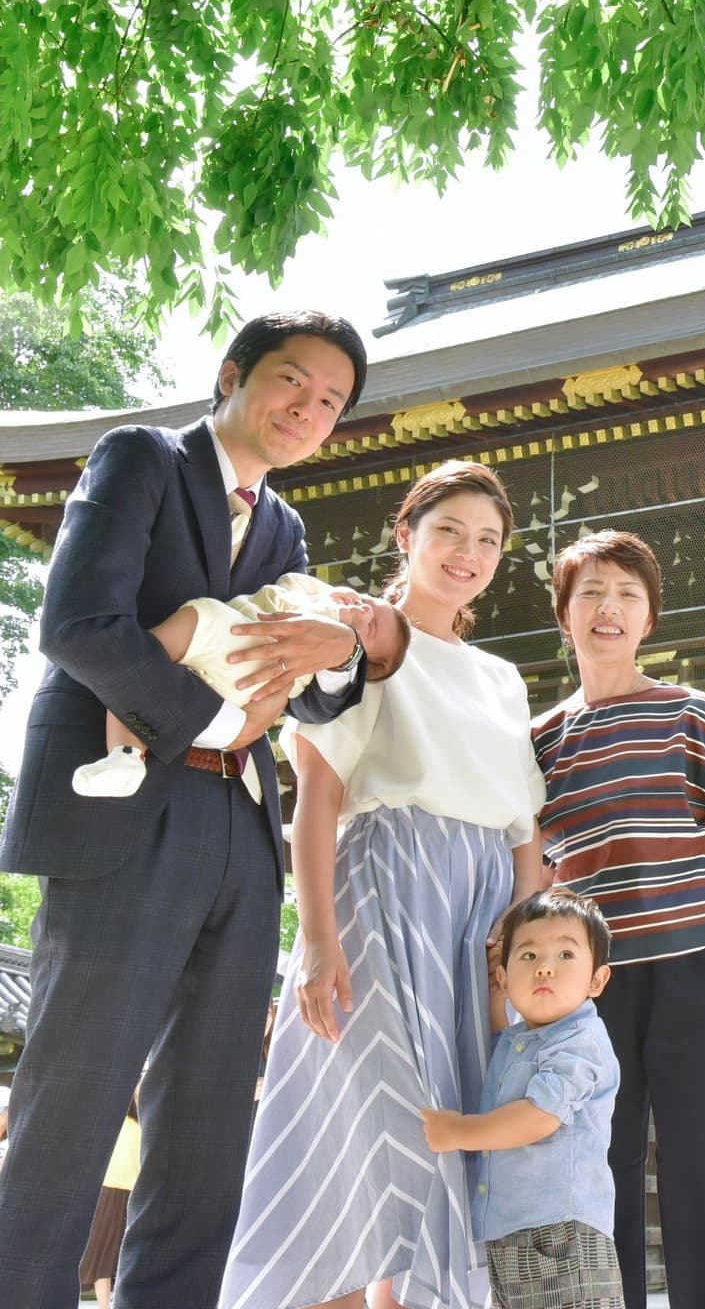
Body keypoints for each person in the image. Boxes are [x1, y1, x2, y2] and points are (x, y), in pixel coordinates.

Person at [0, 311, 370, 1309]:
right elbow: (79, 625)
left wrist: (342, 655)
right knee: (76, 1096)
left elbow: (305, 693)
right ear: (232, 374)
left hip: (241, 832)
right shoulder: (142, 460)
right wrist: (214, 721)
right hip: (126, 812)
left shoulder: (287, 529)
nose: (309, 409)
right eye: (293, 381)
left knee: (209, 1119)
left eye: (331, 402)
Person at [220, 460, 545, 1309]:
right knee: (370, 1124)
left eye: (488, 541)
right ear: (407, 535)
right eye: (450, 531)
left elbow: (525, 833)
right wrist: (317, 940)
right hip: (384, 889)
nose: (468, 553)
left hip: (480, 914)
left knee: (454, 1127)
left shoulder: (502, 678)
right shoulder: (353, 639)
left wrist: (521, 941)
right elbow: (317, 800)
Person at [531, 529, 705, 1309]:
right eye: (592, 593)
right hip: (593, 987)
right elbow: (535, 873)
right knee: (597, 1170)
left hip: (704, 967)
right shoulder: (538, 740)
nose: (610, 609)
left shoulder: (693, 715)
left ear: (649, 618)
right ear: (565, 612)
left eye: (628, 595)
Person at [422, 888, 623, 1309]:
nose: (545, 967)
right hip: (516, 1231)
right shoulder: (522, 1039)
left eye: (565, 955)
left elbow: (539, 1116)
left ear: (597, 980)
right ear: (503, 977)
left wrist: (458, 1132)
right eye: (529, 956)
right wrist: (496, 1006)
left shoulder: (581, 1040)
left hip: (561, 1234)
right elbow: (504, 1062)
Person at [74, 576, 410, 797]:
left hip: (241, 667)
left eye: (370, 628)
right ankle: (125, 756)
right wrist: (329, 595)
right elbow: (286, 586)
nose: (363, 610)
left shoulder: (323, 647)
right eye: (368, 601)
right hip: (221, 677)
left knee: (185, 629)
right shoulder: (310, 587)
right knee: (136, 679)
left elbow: (295, 621)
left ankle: (127, 736)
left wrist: (342, 633)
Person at [78, 1091, 142, 1309]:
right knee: (104, 1250)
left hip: (134, 1190)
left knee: (122, 1251)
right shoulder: (116, 1121)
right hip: (111, 1188)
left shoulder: (143, 1122)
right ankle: (104, 1306)